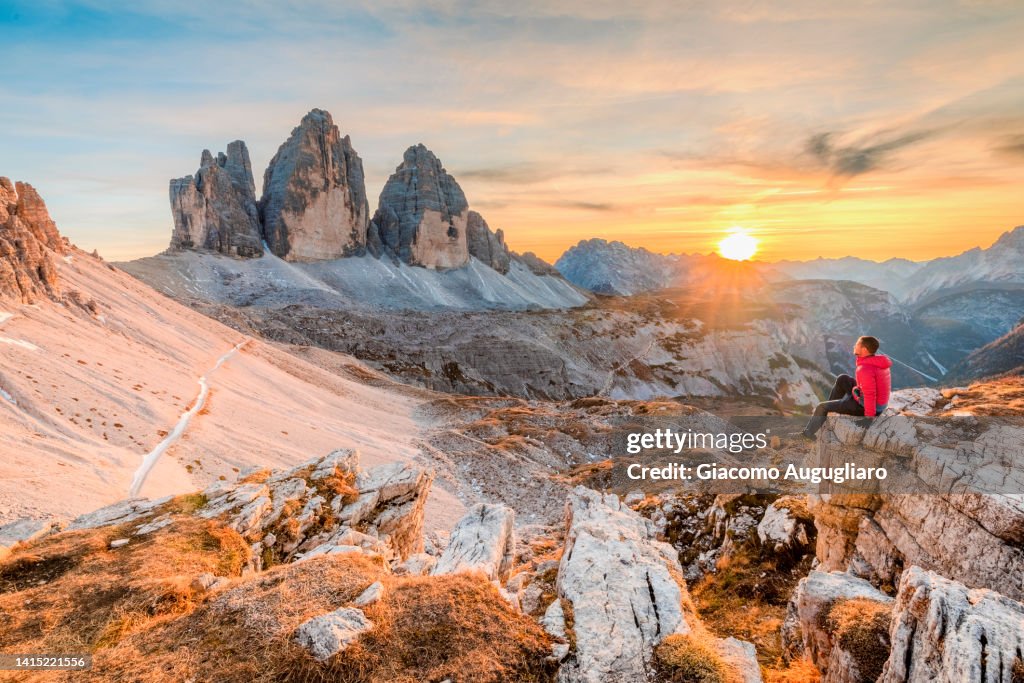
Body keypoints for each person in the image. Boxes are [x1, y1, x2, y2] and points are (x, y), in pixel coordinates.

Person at [802, 335, 892, 438]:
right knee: (842, 378)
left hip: (867, 407)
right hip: (877, 403)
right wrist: (857, 390)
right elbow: (870, 387)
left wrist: (868, 418)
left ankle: (808, 433)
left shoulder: (865, 368)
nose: (854, 346)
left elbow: (870, 394)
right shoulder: (877, 361)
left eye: (857, 344)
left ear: (864, 349)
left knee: (821, 406)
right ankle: (830, 410)